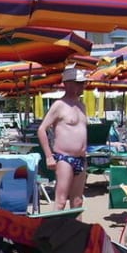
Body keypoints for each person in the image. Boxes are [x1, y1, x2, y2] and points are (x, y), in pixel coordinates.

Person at [37, 65, 88, 210]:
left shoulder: (81, 105)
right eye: (78, 83)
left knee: (77, 202)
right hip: (64, 158)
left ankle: (76, 232)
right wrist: (48, 156)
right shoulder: (59, 105)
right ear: (67, 84)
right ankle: (54, 232)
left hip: (81, 158)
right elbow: (42, 129)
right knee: (60, 201)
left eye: (83, 83)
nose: (82, 86)